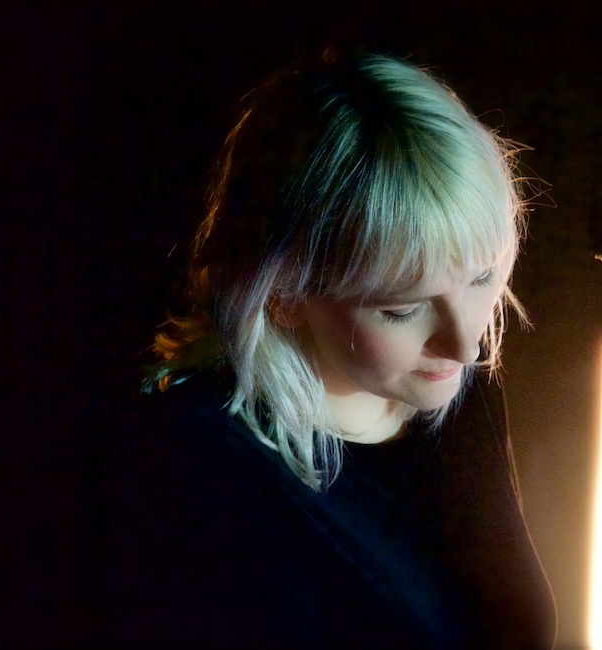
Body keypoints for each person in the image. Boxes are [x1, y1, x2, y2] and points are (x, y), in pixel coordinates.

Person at [100, 48, 557, 648]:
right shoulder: (193, 468)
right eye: (401, 308)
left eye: (481, 279)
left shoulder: (446, 387)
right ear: (283, 294)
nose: (468, 343)